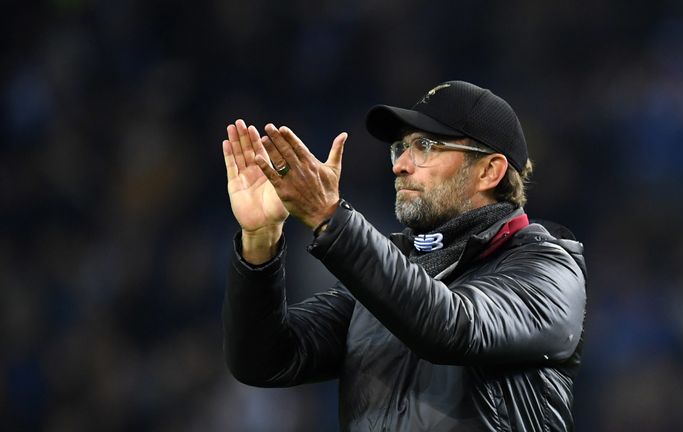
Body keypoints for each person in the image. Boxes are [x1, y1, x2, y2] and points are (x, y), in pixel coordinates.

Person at [221, 80, 587, 431]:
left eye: (426, 146)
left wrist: (330, 218)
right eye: (402, 147)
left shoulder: (548, 269)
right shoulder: (385, 273)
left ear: (489, 171)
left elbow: (454, 327)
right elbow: (264, 362)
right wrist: (260, 239)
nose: (400, 165)